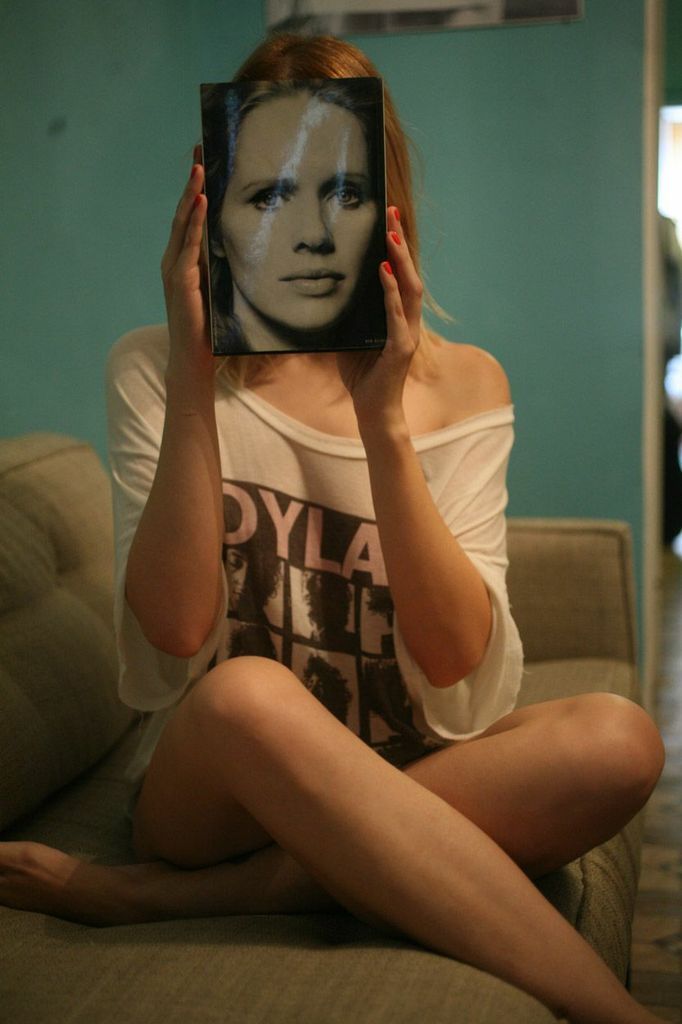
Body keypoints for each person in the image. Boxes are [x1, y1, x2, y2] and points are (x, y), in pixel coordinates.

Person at [0, 32, 665, 1024]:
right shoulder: (153, 367)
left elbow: (455, 661)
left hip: (411, 766)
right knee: (248, 694)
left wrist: (383, 421)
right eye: (268, 191)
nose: (305, 230)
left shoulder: (466, 382)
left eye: (340, 189)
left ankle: (181, 899)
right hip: (216, 789)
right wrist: (192, 376)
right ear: (219, 206)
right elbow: (175, 634)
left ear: (384, 205)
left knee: (619, 741)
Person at [202, 76, 386, 353]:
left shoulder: (456, 370)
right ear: (215, 228)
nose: (315, 236)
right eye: (269, 198)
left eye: (345, 195)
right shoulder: (148, 364)